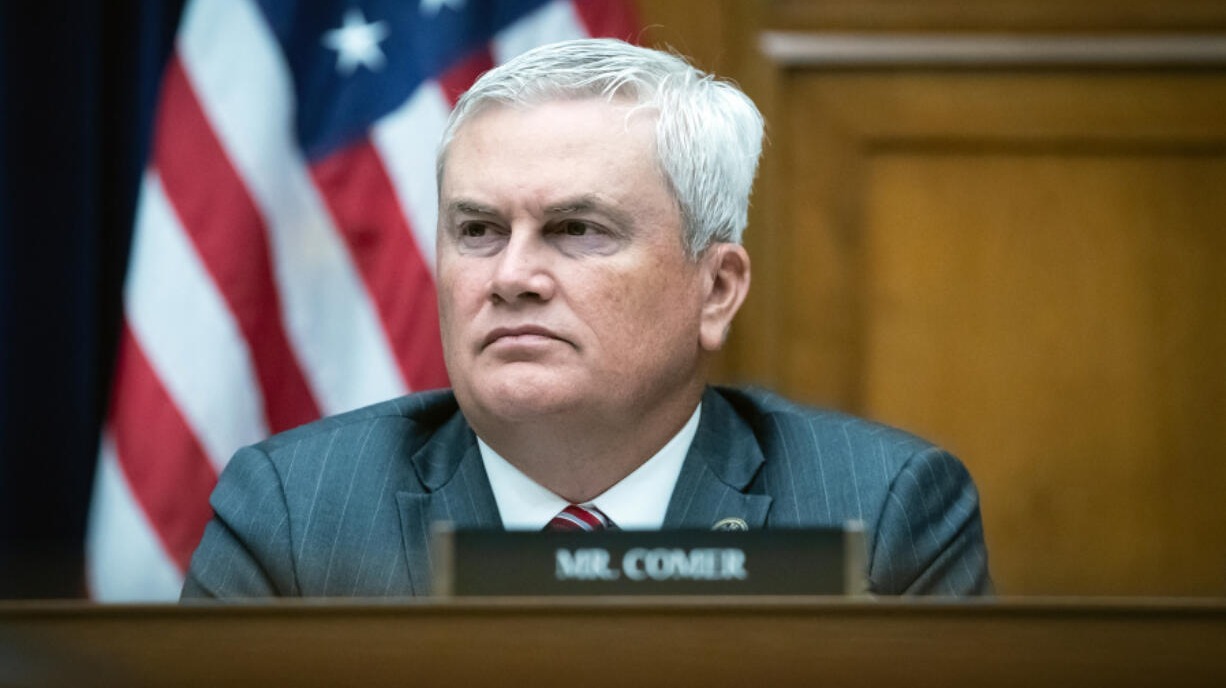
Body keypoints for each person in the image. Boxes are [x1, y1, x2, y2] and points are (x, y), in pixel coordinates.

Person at [182, 39, 990, 598]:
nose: (511, 277)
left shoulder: (879, 510)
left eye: (577, 230)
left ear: (716, 290)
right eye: (478, 230)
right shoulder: (295, 511)